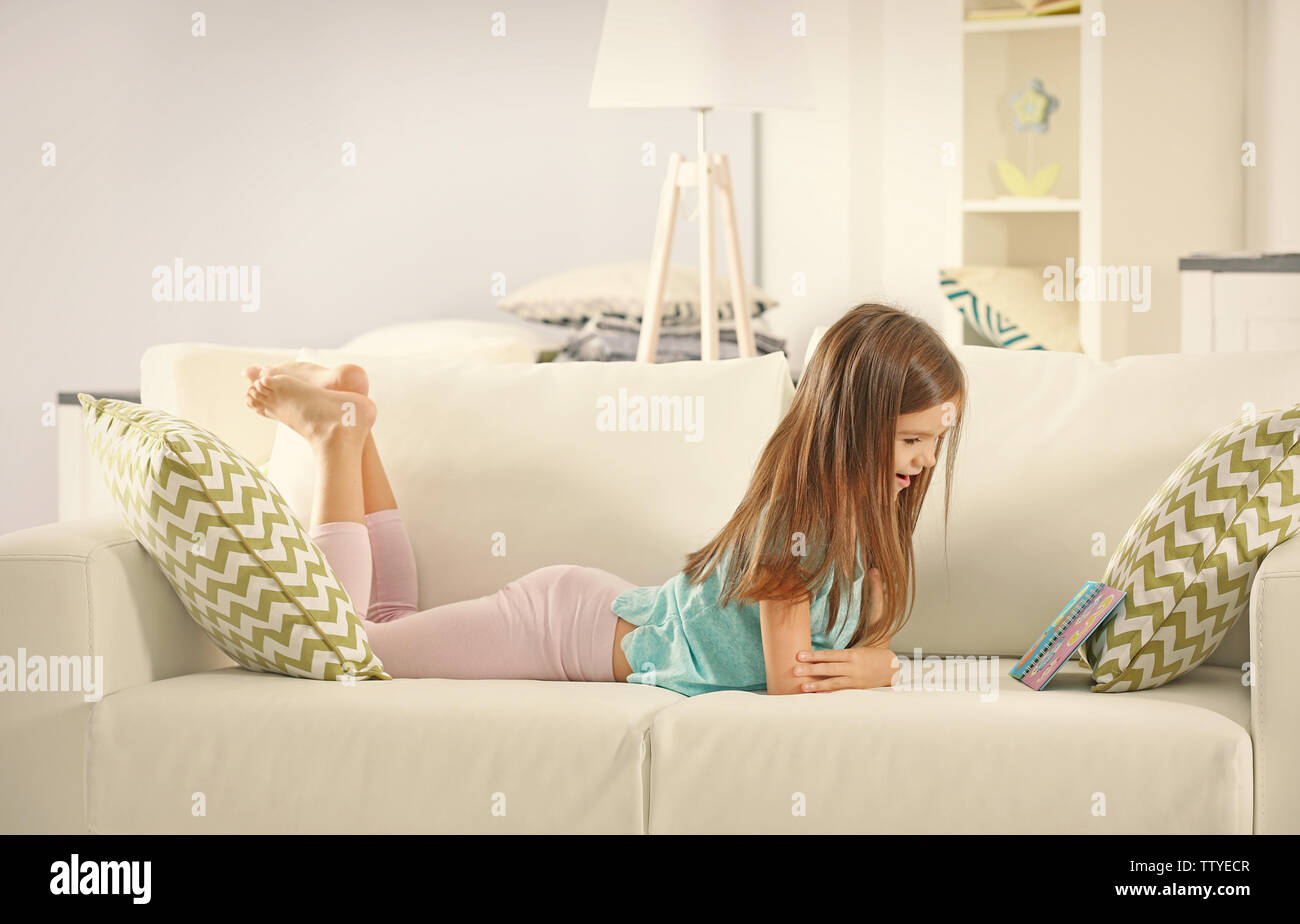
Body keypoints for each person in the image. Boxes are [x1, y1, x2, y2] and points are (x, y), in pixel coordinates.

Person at [243, 303, 966, 696]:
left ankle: (355, 428)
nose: (927, 458)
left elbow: (854, 645)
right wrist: (880, 666)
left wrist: (876, 656)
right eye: (910, 440)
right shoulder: (799, 528)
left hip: (597, 620)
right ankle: (333, 440)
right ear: (853, 425)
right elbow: (790, 679)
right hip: (562, 631)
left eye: (937, 438)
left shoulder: (865, 538)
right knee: (348, 654)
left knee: (387, 626)